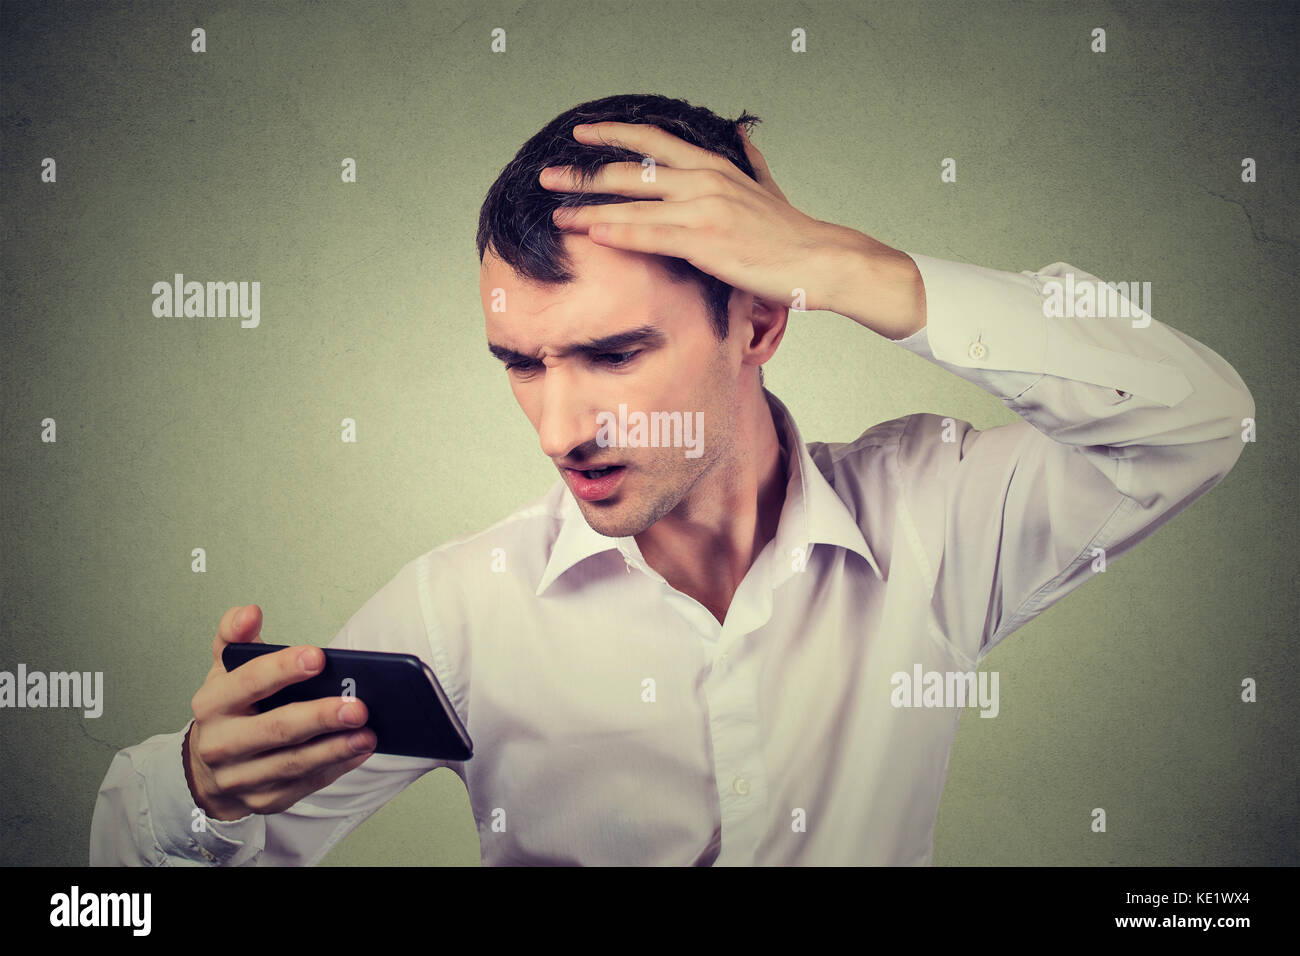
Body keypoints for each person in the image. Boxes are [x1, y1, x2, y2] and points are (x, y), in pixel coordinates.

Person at [90, 94, 1253, 866]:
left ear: (757, 322)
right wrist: (198, 792)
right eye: (520, 364)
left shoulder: (934, 522)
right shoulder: (458, 614)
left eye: (610, 354)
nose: (558, 426)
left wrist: (846, 263)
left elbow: (1195, 421)